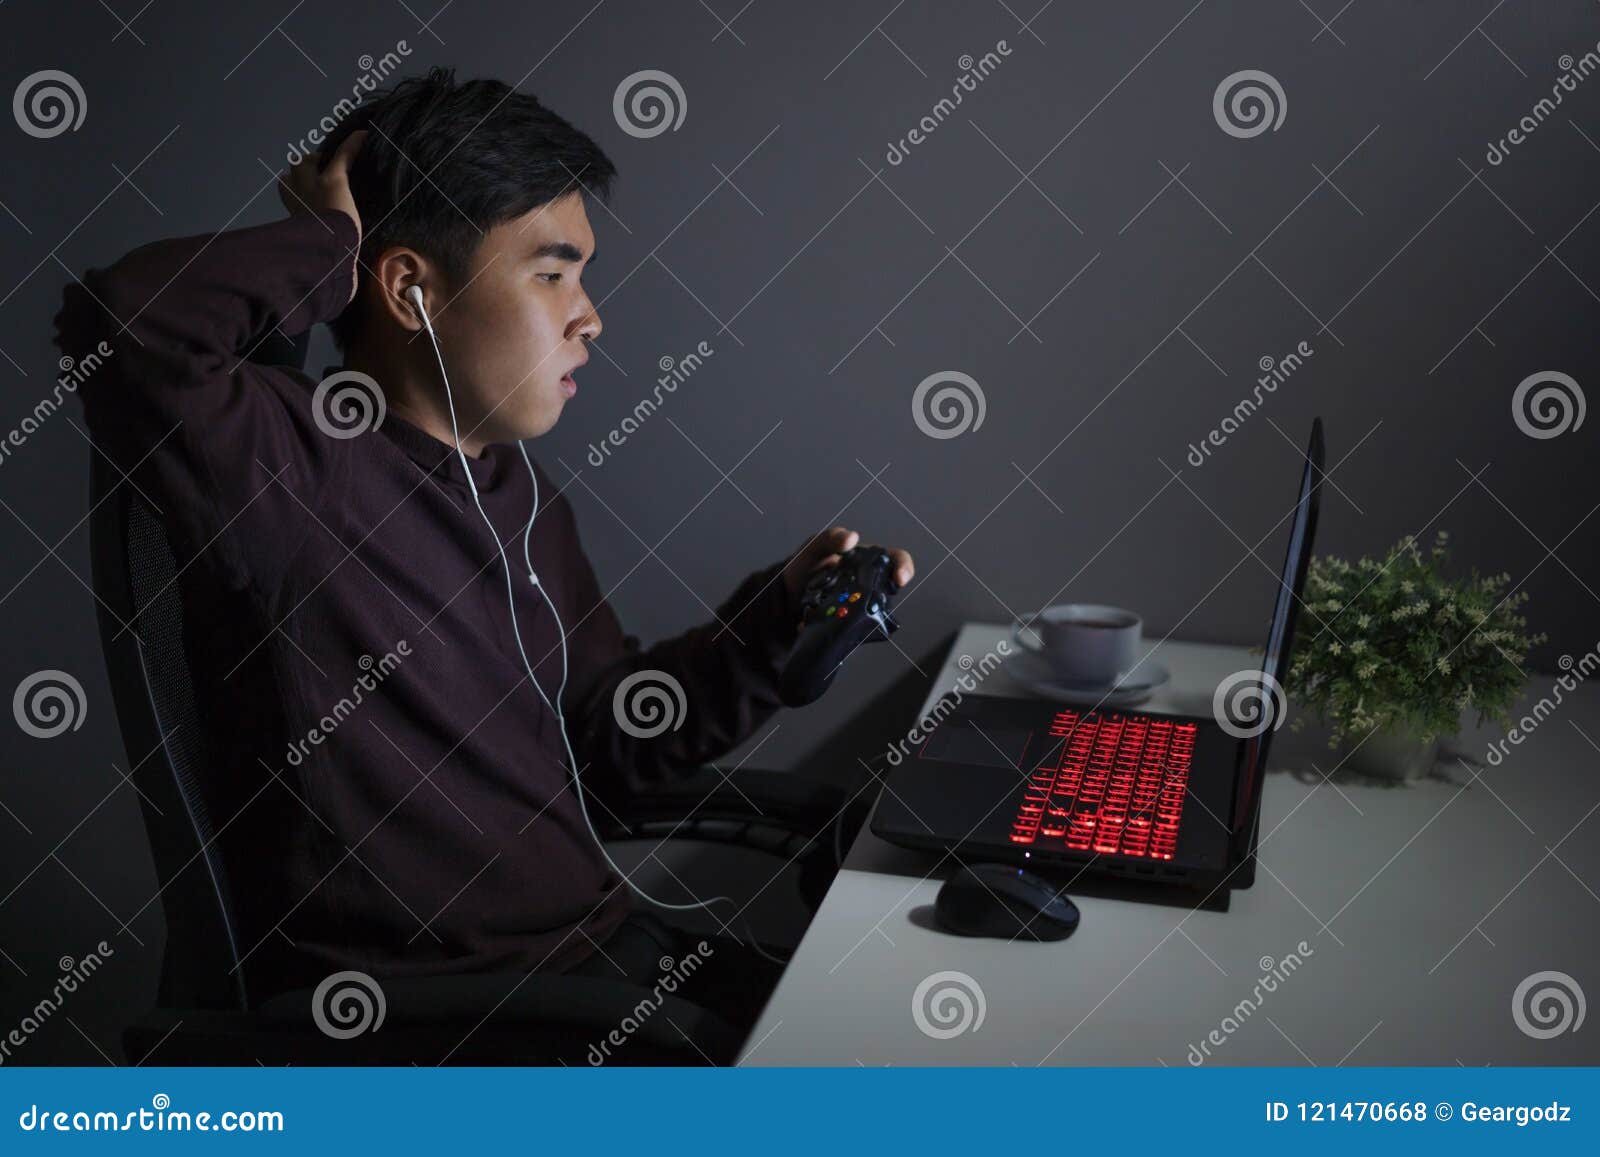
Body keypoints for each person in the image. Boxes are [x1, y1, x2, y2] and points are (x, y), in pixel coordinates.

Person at [53, 67, 913, 1051]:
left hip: (606, 960)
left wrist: (776, 625)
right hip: (454, 1021)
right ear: (412, 286)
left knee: (903, 1044)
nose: (589, 314)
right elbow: (124, 325)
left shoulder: (522, 496)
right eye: (551, 273)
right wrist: (327, 245)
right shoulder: (290, 466)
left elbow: (611, 750)